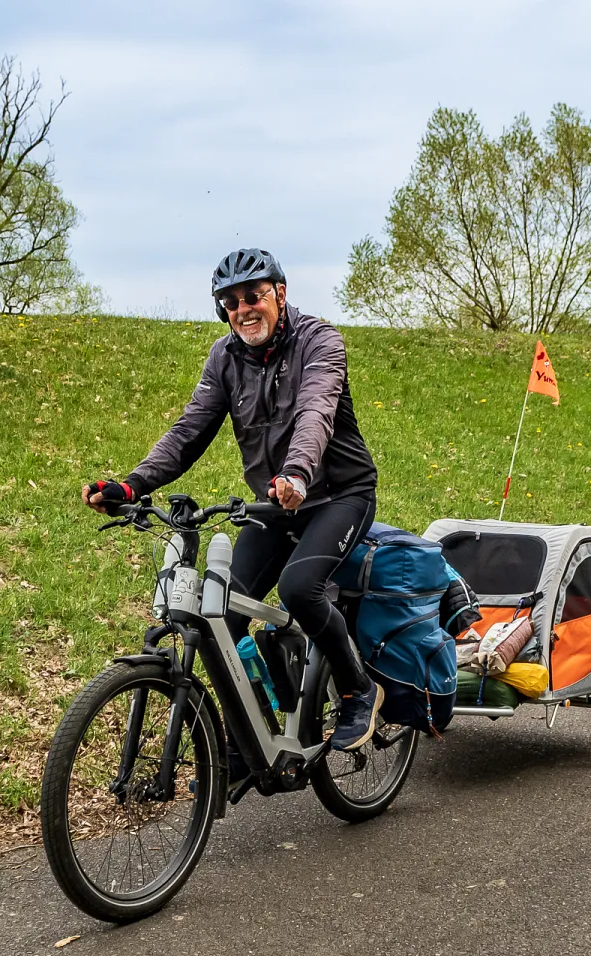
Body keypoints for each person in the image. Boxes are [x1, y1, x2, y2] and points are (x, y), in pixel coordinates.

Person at [83, 248, 383, 751]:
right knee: (217, 611)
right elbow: (189, 431)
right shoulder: (224, 357)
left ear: (280, 296)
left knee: (300, 587)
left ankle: (358, 690)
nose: (244, 309)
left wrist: (297, 472)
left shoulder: (320, 341)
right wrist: (134, 484)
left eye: (254, 296)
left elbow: (316, 413)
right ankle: (254, 734)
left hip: (337, 495)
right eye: (231, 302)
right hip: (274, 504)